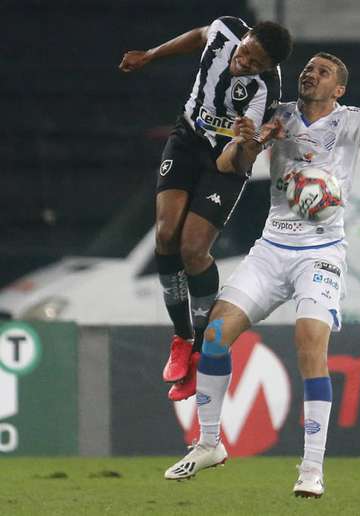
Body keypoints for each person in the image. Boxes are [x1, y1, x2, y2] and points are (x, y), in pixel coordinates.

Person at [163, 37, 360, 497]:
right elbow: (229, 162)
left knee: (310, 346)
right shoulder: (277, 115)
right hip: (271, 249)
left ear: (339, 89)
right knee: (212, 335)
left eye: (323, 71)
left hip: (321, 253)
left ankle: (311, 469)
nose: (311, 73)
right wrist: (251, 143)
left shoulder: (349, 123)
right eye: (308, 67)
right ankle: (209, 442)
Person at [118, 17, 293, 401]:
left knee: (193, 250)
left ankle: (199, 350)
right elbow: (198, 36)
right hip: (188, 139)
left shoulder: (265, 89)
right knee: (165, 233)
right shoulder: (225, 30)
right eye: (246, 52)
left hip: (226, 160)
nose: (244, 62)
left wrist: (249, 141)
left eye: (255, 62)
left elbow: (238, 163)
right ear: (244, 37)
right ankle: (182, 337)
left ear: (267, 68)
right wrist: (151, 55)